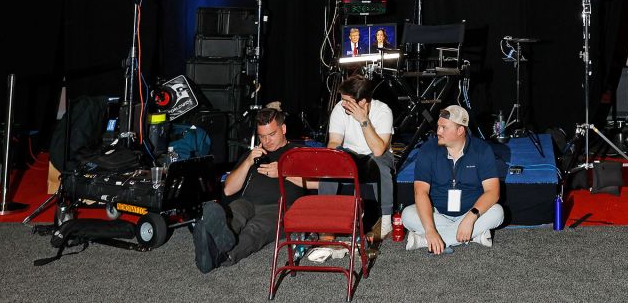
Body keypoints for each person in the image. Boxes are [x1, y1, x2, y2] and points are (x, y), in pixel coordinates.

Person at [193, 104, 304, 273]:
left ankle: (222, 255)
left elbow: (318, 183)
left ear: (283, 128)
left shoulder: (299, 153)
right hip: (247, 202)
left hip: (280, 207)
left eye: (272, 134)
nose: (267, 141)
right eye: (262, 136)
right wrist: (247, 161)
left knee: (255, 230)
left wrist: (284, 172)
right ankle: (214, 243)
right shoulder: (254, 154)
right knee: (232, 215)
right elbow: (229, 190)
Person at [401, 104, 503, 254]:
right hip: (437, 214)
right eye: (438, 126)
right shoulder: (428, 149)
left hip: (470, 212)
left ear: (460, 130)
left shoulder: (482, 150)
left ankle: (425, 241)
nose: (438, 131)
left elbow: (493, 192)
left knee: (497, 212)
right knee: (407, 215)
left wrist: (471, 217)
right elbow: (420, 192)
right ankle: (473, 236)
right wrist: (430, 230)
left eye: (444, 128)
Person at [315, 75, 395, 248]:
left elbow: (379, 149)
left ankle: (386, 220)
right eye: (342, 100)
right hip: (350, 154)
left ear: (363, 102)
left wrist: (363, 120)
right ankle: (326, 224)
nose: (342, 104)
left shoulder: (383, 111)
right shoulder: (339, 109)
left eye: (347, 101)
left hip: (375, 155)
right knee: (331, 160)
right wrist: (333, 158)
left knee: (379, 161)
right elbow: (334, 143)